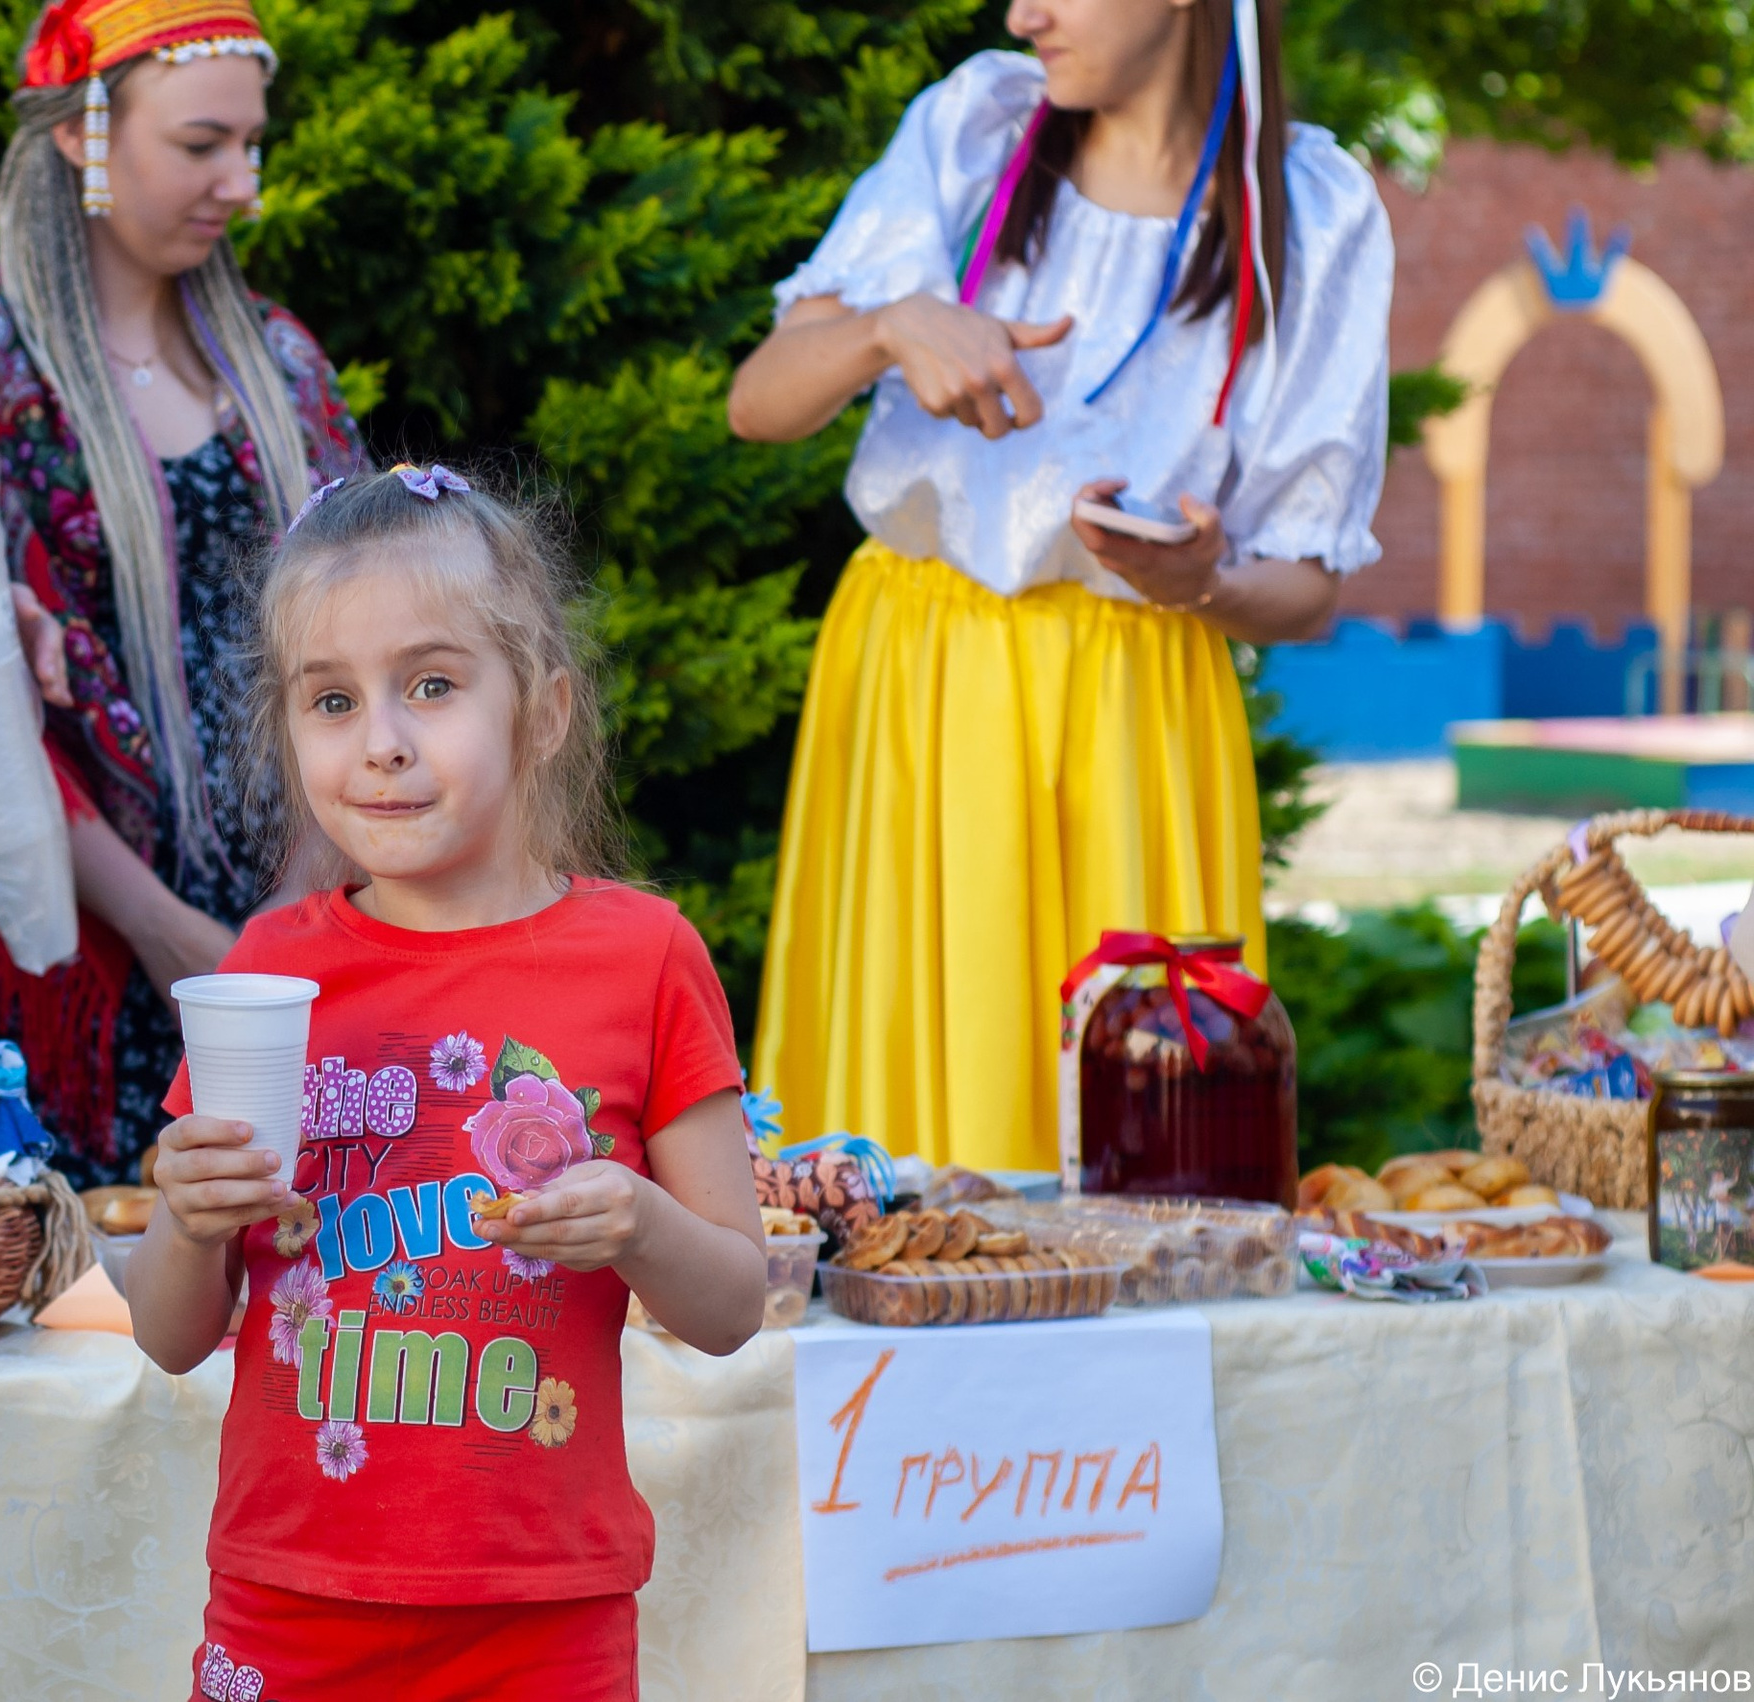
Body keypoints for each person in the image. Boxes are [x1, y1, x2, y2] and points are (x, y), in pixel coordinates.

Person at [127, 465, 765, 1700]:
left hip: (544, 1618)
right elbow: (169, 1334)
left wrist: (637, 1221)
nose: (382, 740)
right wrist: (187, 1217)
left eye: (431, 684)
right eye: (330, 699)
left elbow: (732, 1306)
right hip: (287, 1603)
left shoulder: (647, 959)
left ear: (543, 711)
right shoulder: (268, 973)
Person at [728, 0, 1391, 1172]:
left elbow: (1305, 588)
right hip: (914, 687)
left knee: (1139, 1152)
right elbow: (760, 401)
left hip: (1136, 712)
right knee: (894, 1153)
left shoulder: (1311, 212)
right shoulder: (973, 128)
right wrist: (889, 327)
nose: (1020, 12)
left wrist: (1202, 578)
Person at [0, 0, 360, 1192]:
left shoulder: (281, 363)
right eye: (202, 145)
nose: (240, 183)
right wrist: (169, 934)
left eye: (253, 146)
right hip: (78, 944)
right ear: (85, 133)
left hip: (289, 929)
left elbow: (360, 638)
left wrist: (293, 911)